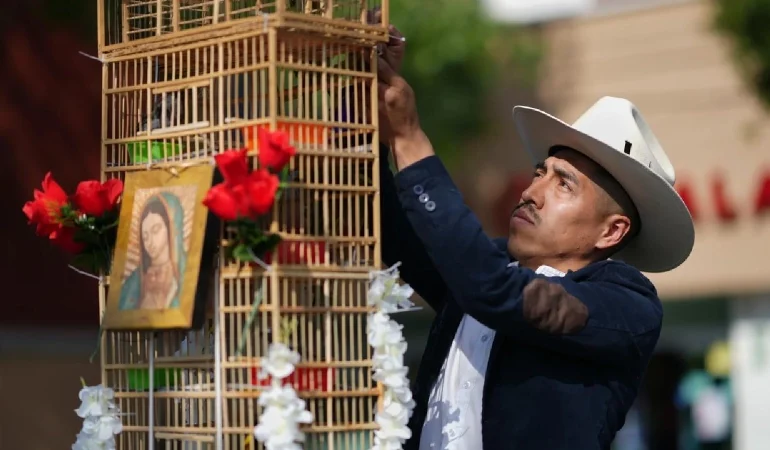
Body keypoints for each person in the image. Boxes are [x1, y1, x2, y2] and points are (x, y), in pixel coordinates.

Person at [376, 26, 695, 450]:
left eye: (563, 184)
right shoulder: (486, 267)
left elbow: (494, 290)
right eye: (539, 173)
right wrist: (364, 99)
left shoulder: (627, 305)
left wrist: (410, 140)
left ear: (611, 231)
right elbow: (389, 225)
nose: (531, 192)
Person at [119, 192, 187, 310]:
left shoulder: (187, 272)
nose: (149, 241)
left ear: (171, 229)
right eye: (145, 237)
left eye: (155, 230)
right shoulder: (134, 282)